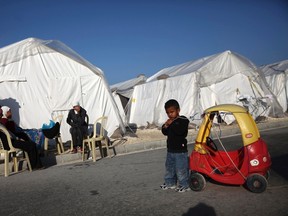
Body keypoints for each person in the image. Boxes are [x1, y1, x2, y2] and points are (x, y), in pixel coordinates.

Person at [160, 99, 190, 192]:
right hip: (171, 150)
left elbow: (180, 130)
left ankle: (184, 185)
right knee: (170, 168)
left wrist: (171, 123)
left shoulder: (183, 120)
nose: (170, 114)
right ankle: (170, 183)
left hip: (180, 151)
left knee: (181, 169)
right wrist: (165, 125)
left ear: (178, 110)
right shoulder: (170, 122)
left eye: (172, 112)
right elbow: (165, 132)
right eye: (168, 113)